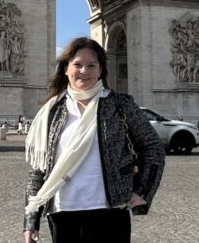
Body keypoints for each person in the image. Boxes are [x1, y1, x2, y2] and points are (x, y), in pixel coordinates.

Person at [23, 37, 165, 243]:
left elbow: (153, 147)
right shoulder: (51, 112)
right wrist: (31, 219)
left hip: (110, 212)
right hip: (63, 212)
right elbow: (38, 168)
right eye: (77, 65)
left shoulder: (120, 105)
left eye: (92, 65)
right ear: (65, 69)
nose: (84, 71)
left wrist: (143, 190)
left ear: (100, 70)